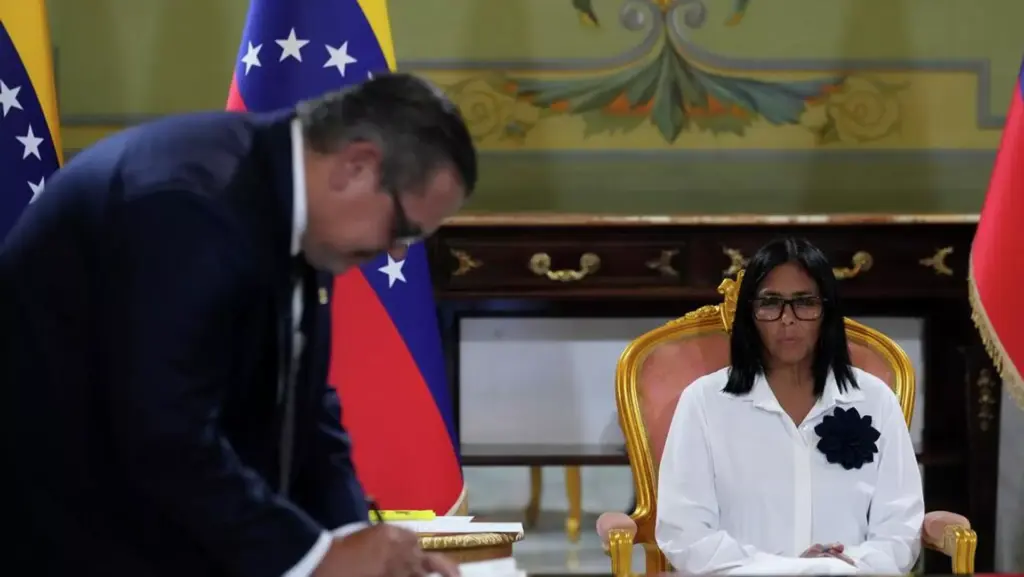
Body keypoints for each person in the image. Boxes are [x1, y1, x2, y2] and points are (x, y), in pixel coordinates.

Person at [0, 74, 475, 577]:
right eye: (403, 231)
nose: (397, 253)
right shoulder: (191, 206)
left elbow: (306, 406)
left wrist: (352, 540)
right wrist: (316, 558)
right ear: (356, 166)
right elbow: (164, 433)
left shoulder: (290, 203)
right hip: (63, 533)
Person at [655, 237, 924, 575]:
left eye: (804, 302)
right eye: (770, 303)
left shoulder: (875, 399)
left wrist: (841, 567)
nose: (788, 319)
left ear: (826, 310)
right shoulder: (704, 402)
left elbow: (900, 528)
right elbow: (685, 533)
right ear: (749, 313)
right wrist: (789, 569)